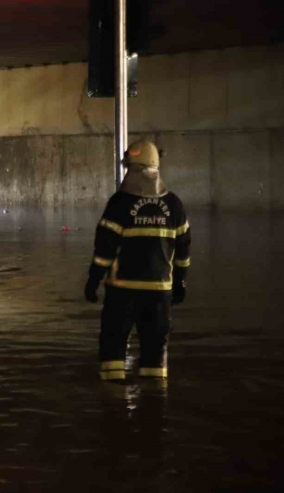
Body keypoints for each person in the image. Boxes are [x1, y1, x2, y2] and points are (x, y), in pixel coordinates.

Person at [84, 140, 191, 381]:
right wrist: (180, 283)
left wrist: (93, 280)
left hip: (123, 293)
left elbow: (105, 249)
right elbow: (183, 251)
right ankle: (155, 409)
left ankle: (113, 408)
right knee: (155, 360)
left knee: (112, 352)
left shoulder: (120, 203)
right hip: (159, 295)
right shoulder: (174, 205)